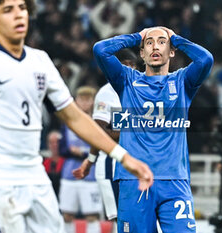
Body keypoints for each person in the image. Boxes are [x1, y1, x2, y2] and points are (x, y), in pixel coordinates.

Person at [0, 1, 153, 233]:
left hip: (35, 174)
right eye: (8, 10)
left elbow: (74, 116)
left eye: (22, 8)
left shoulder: (40, 60)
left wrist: (124, 157)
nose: (18, 15)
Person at [92, 26, 213, 232]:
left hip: (174, 180)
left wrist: (176, 38)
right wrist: (136, 37)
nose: (155, 46)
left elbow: (206, 59)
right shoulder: (127, 80)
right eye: (149, 43)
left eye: (162, 42)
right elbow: (100, 49)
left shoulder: (183, 81)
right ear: (142, 53)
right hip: (134, 181)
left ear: (172, 51)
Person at [73, 49, 137, 233]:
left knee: (136, 217)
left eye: (133, 65)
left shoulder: (138, 91)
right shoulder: (107, 93)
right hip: (112, 164)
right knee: (122, 218)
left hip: (134, 162)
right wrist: (132, 130)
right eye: (125, 64)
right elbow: (99, 132)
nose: (130, 69)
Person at [59, 86, 103, 233]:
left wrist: (82, 153)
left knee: (92, 215)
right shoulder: (68, 122)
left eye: (87, 99)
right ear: (76, 101)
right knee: (67, 215)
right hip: (69, 174)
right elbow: (62, 149)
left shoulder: (98, 122)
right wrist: (76, 152)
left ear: (93, 101)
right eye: (81, 99)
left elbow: (102, 147)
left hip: (90, 177)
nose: (84, 103)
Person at [43, 131, 65, 198]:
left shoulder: (67, 163)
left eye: (57, 142)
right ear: (48, 144)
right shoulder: (45, 163)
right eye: (51, 142)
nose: (54, 145)